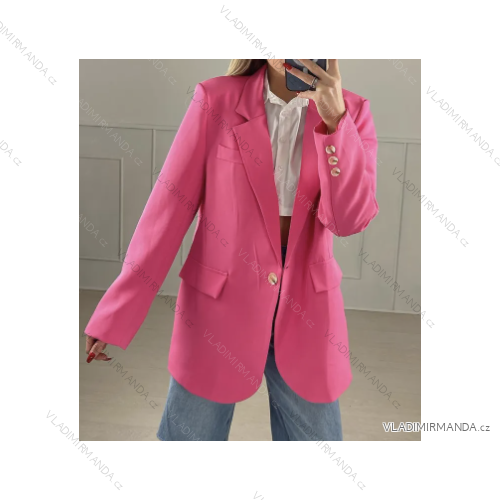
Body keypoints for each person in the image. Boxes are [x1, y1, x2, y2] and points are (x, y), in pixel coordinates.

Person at [84, 59, 378, 441]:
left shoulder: (351, 111)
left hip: (308, 310)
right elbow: (167, 210)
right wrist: (117, 312)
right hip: (217, 310)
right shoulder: (215, 99)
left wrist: (335, 122)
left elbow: (349, 221)